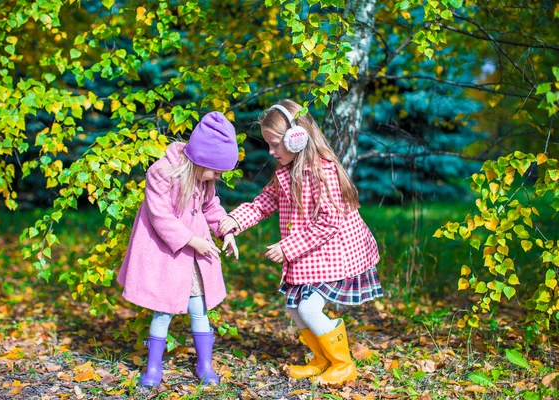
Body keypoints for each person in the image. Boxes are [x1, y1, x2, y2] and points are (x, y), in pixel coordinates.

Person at [219, 99, 382, 386]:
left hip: (338, 253)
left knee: (308, 308)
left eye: (275, 144)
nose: (271, 151)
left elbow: (330, 222)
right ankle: (321, 359)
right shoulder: (285, 172)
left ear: (297, 139)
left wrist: (287, 247)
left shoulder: (323, 171)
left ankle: (343, 364)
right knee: (294, 308)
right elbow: (264, 202)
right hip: (312, 254)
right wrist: (236, 220)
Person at [118, 111, 240, 387]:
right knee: (163, 311)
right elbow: (160, 216)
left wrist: (226, 230)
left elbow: (211, 207)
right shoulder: (161, 173)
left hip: (194, 260)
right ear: (201, 158)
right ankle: (152, 369)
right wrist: (191, 240)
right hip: (168, 256)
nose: (217, 177)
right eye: (217, 171)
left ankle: (204, 365)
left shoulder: (204, 180)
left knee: (199, 309)